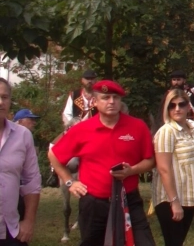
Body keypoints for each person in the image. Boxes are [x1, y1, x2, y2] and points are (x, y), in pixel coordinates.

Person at [49, 80, 156, 246]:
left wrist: (132, 170)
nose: (111, 101)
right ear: (95, 102)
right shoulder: (82, 129)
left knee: (144, 242)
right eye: (106, 97)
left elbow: (150, 160)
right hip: (94, 203)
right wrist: (70, 182)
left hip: (128, 200)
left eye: (116, 97)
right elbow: (54, 155)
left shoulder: (137, 127)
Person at [151, 89, 194, 246]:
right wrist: (174, 202)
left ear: (188, 106)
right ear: (167, 109)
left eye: (181, 104)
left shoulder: (190, 130)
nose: (177, 109)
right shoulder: (167, 132)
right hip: (171, 199)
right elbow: (163, 168)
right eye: (172, 105)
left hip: (188, 197)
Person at [0, 78, 42, 246]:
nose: (0, 102)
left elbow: (32, 181)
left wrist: (29, 221)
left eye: (5, 97)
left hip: (12, 229)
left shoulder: (23, 135)